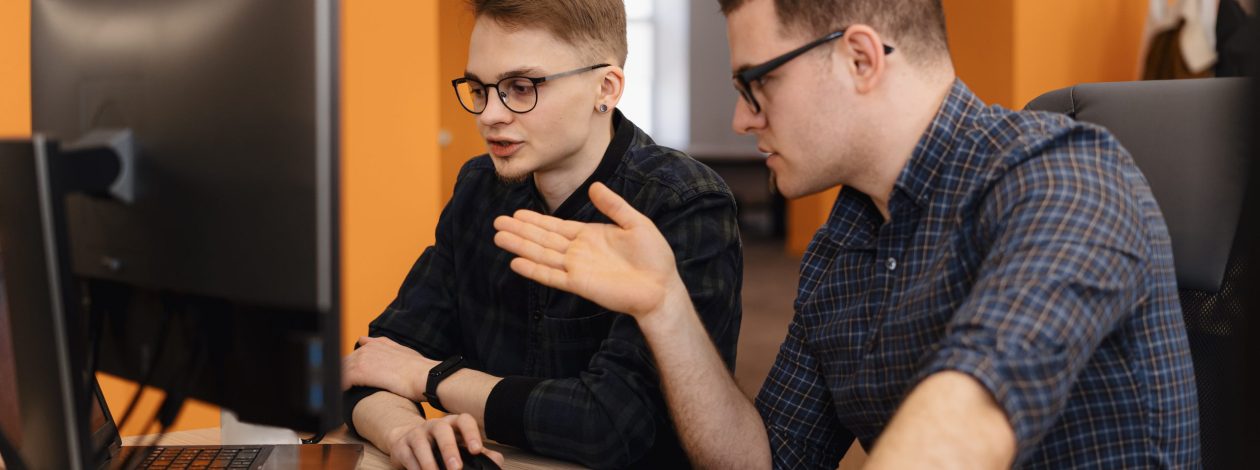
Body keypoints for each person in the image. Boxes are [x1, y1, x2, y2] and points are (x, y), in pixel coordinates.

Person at [494, 0, 1200, 468]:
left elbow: (973, 411)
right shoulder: (846, 243)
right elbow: (769, 459)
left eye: (755, 84)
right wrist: (666, 307)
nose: (742, 121)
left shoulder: (1062, 175)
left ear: (861, 59)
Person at [339, 0, 742, 469]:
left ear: (605, 88)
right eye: (478, 88)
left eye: (521, 87)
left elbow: (608, 428)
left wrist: (430, 378)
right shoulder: (478, 188)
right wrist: (404, 430)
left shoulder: (682, 203)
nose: (489, 114)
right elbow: (375, 361)